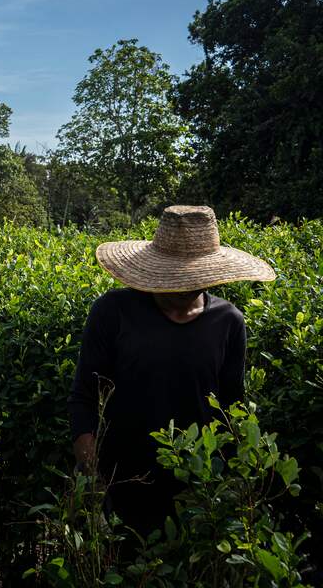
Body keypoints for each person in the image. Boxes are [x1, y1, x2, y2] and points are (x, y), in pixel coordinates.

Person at [67, 205, 276, 536]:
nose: (179, 290)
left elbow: (230, 410)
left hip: (199, 493)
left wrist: (234, 491)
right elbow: (84, 398)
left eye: (190, 280)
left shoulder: (228, 322)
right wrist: (92, 480)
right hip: (122, 489)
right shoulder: (113, 311)